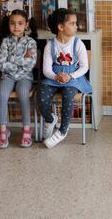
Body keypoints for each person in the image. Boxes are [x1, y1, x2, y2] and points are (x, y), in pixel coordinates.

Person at [38, 8, 92, 148]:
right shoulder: (50, 45)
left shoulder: (78, 43)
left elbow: (84, 67)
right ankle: (50, 119)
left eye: (75, 23)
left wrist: (70, 76)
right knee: (41, 94)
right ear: (61, 27)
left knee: (68, 95)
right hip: (54, 77)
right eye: (72, 23)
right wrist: (56, 76)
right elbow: (46, 69)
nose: (76, 26)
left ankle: (62, 131)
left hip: (73, 78)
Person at [0, 9, 38, 148]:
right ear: (8, 24)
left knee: (23, 93)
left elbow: (30, 64)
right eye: (13, 23)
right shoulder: (6, 41)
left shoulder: (31, 42)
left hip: (25, 77)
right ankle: (3, 130)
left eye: (20, 23)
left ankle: (26, 129)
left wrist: (12, 60)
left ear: (26, 24)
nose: (16, 26)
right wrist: (21, 58)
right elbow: (2, 65)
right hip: (8, 76)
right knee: (1, 94)